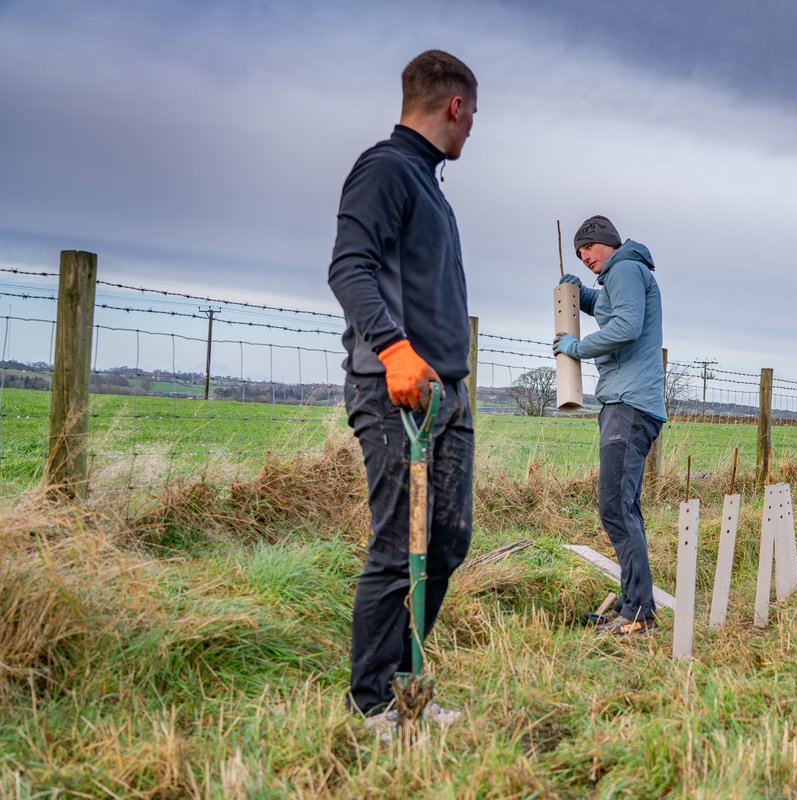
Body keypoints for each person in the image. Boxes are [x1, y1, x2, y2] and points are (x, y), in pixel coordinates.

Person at [328, 50, 478, 732]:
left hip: (446, 394)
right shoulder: (385, 169)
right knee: (399, 547)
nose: (472, 128)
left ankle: (405, 685)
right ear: (454, 106)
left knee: (446, 542)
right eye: (472, 115)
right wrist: (393, 349)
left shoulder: (428, 183)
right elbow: (348, 268)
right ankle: (372, 705)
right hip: (397, 393)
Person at [554, 215, 666, 636]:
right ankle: (632, 604)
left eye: (589, 248)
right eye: (579, 253)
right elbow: (609, 307)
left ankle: (637, 614)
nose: (584, 257)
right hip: (627, 404)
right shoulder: (621, 275)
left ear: (607, 242)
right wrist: (580, 294)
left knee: (615, 507)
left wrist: (577, 348)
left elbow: (626, 326)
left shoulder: (625, 269)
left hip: (629, 405)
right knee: (624, 507)